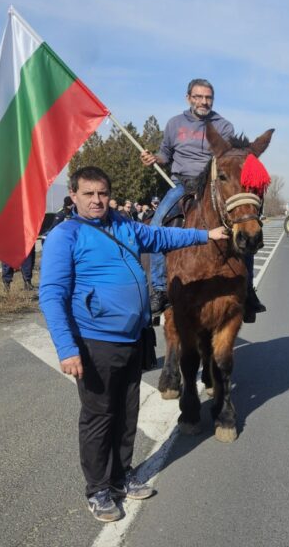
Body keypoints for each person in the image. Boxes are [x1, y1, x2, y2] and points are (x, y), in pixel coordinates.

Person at [39, 166, 229, 523]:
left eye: (103, 193)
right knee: (99, 417)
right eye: (89, 194)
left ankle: (121, 476)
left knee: (127, 414)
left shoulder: (124, 224)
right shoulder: (65, 236)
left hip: (133, 337)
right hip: (95, 341)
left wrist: (206, 234)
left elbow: (161, 238)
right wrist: (66, 349)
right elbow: (51, 295)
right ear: (74, 195)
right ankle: (97, 490)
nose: (97, 200)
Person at [139, 78, 244, 315]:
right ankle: (159, 289)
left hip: (211, 186)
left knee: (242, 225)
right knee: (156, 227)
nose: (203, 101)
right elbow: (165, 153)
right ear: (188, 98)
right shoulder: (174, 124)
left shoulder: (224, 126)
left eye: (208, 97)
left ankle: (248, 290)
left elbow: (228, 158)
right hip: (181, 185)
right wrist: (154, 159)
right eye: (198, 97)